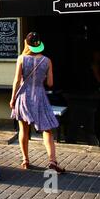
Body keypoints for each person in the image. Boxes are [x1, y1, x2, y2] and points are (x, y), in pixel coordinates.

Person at [10, 32, 65, 173]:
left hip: (23, 96)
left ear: (26, 44)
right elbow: (50, 83)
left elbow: (16, 81)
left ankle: (25, 160)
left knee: (24, 129)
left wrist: (12, 98)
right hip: (40, 96)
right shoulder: (47, 60)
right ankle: (52, 161)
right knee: (47, 130)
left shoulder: (21, 58)